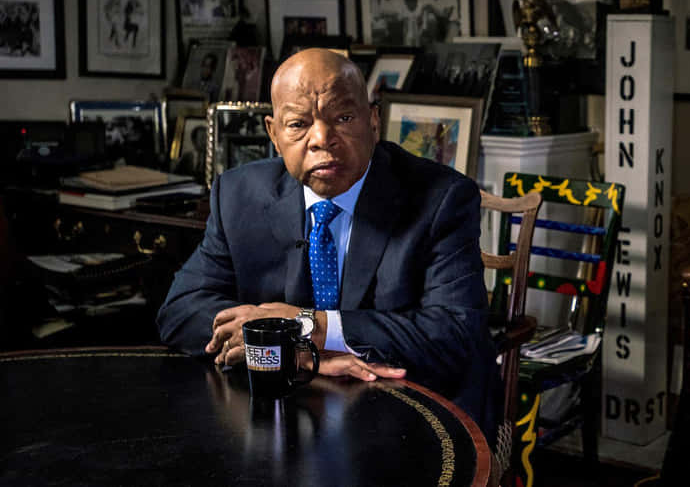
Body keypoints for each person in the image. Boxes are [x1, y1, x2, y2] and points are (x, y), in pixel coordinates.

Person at [156, 48, 499, 442]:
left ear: (373, 120)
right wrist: (300, 354)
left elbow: (455, 336)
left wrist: (310, 326)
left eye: (344, 117)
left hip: (414, 406)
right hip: (295, 405)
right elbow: (180, 312)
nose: (322, 139)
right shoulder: (237, 194)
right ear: (273, 133)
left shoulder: (442, 198)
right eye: (298, 124)